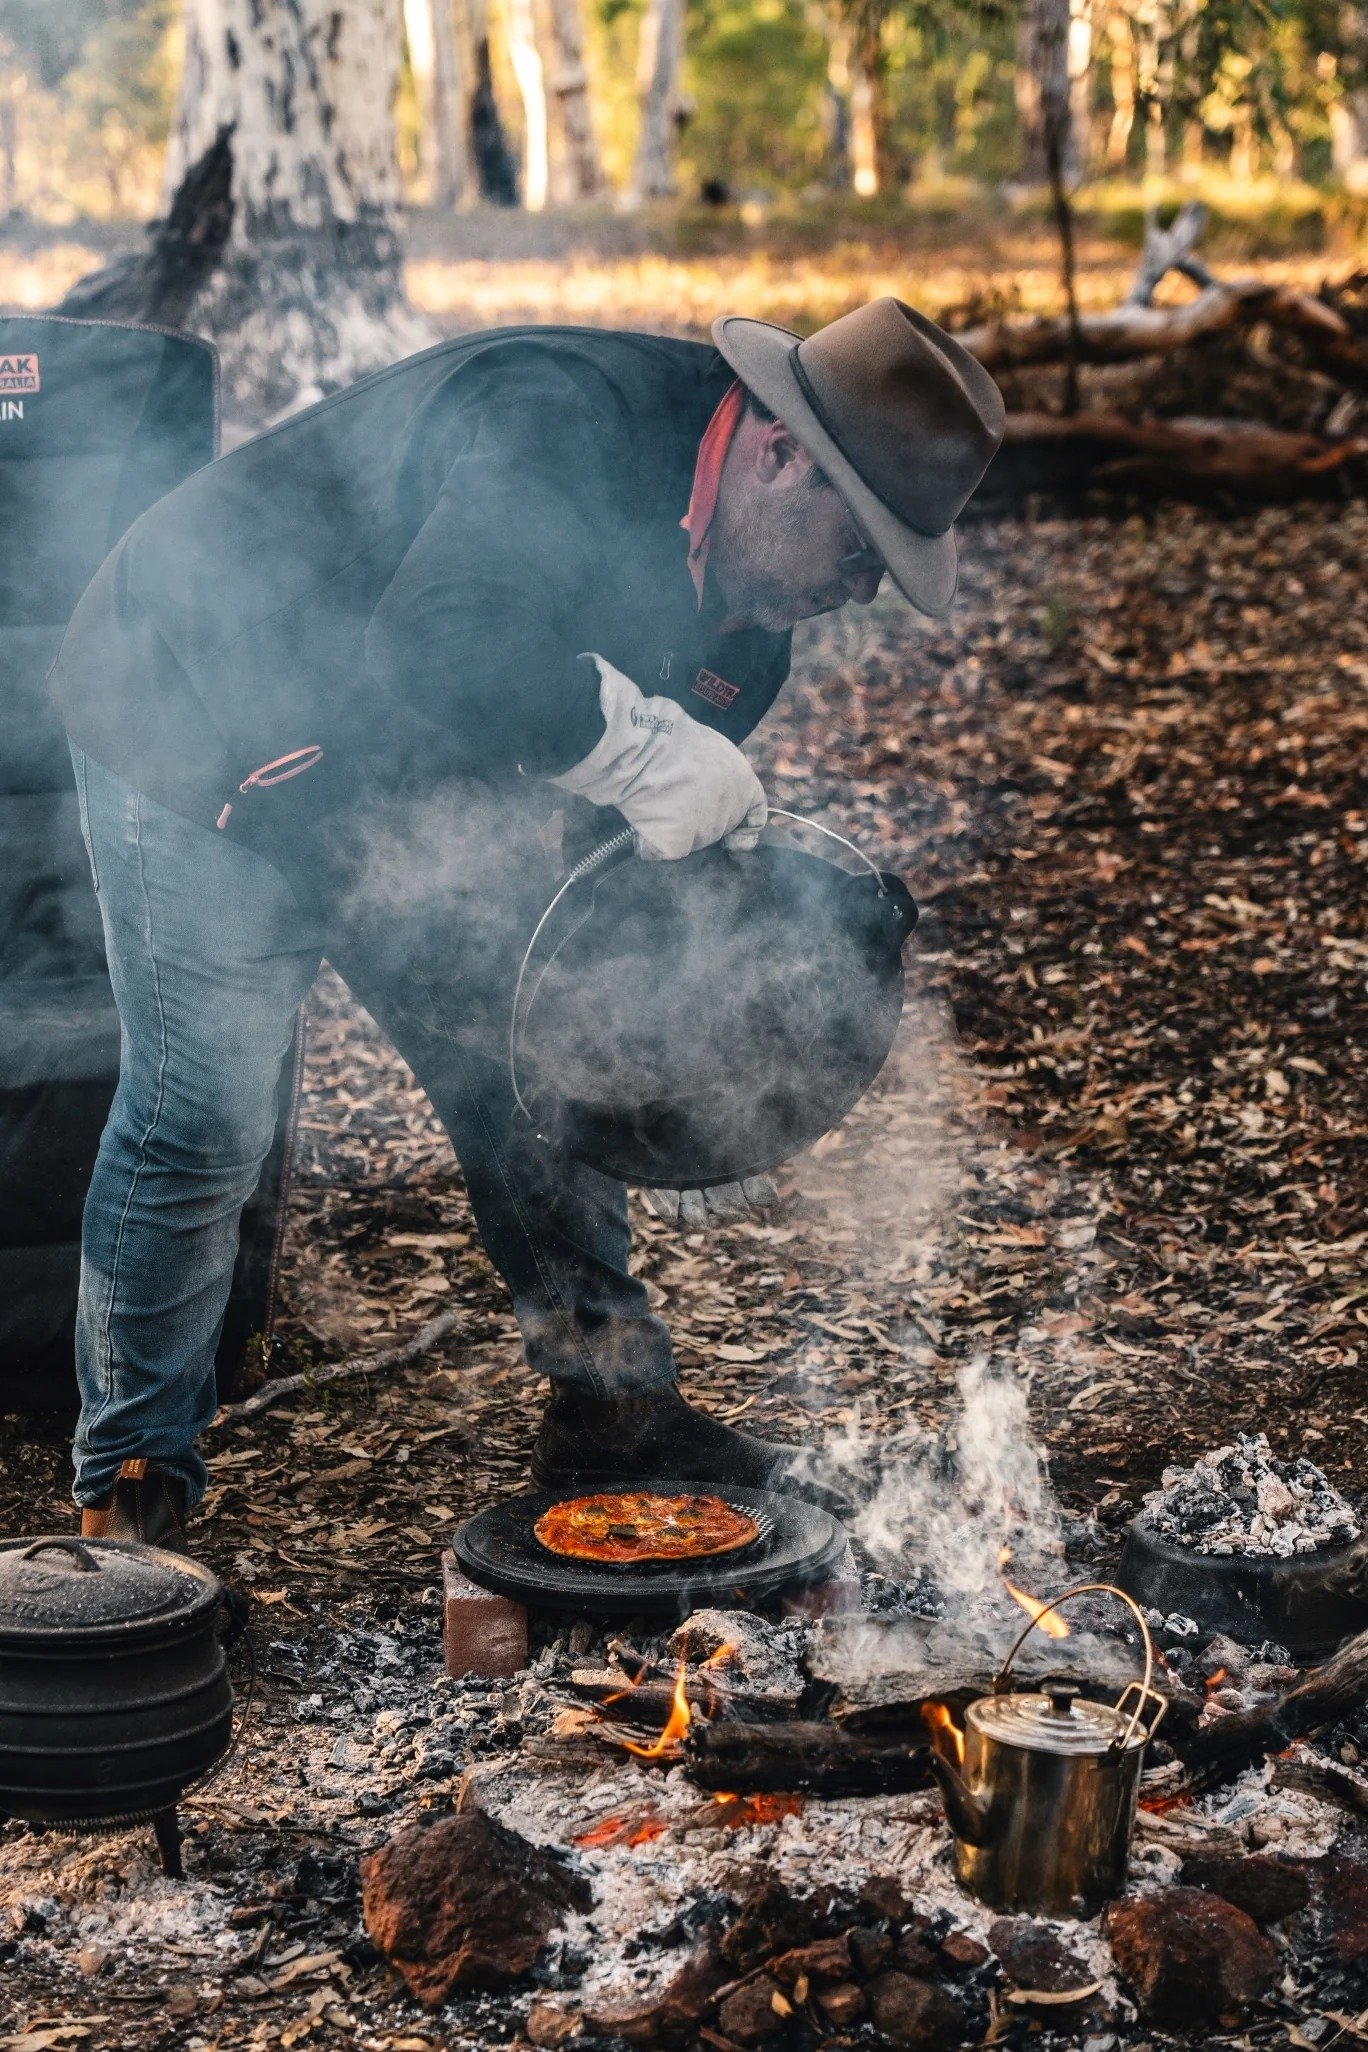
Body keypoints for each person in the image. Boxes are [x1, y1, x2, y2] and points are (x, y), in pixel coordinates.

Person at [48, 296, 1004, 1550]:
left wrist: (682, 1073)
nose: (859, 592)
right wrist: (646, 754)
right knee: (204, 1116)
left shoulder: (745, 646)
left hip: (416, 777)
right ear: (782, 456)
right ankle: (129, 1502)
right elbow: (449, 637)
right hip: (205, 714)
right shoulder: (560, 417)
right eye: (860, 552)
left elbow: (594, 892)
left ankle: (614, 1412)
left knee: (540, 1058)